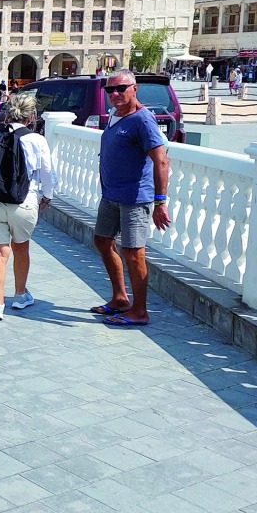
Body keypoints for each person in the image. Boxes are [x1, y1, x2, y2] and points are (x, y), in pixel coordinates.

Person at [91, 70, 171, 326]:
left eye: (120, 88)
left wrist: (160, 202)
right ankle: (119, 298)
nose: (114, 94)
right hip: (111, 195)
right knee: (103, 241)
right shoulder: (117, 115)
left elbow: (161, 161)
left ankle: (139, 311)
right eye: (109, 89)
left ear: (134, 88)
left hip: (135, 198)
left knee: (134, 253)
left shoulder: (143, 120)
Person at [0, 92, 54, 320]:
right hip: (24, 202)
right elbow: (47, 174)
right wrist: (47, 197)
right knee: (21, 247)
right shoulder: (37, 140)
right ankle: (19, 295)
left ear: (7, 114)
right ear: (31, 116)